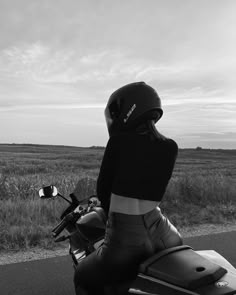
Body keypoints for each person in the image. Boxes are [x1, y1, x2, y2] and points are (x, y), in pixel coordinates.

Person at [74, 82, 183, 295]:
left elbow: (104, 191)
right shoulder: (170, 146)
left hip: (125, 240)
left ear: (127, 109)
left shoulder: (119, 142)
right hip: (165, 232)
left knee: (83, 274)